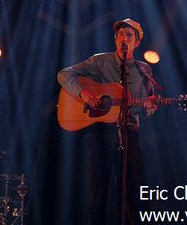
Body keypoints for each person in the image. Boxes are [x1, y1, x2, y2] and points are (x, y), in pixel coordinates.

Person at [57, 18, 158, 225]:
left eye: (129, 35)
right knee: (98, 195)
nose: (124, 38)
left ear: (136, 43)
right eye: (120, 34)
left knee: (129, 196)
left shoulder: (144, 70)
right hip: (101, 133)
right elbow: (64, 74)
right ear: (115, 40)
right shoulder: (100, 61)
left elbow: (147, 105)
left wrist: (150, 107)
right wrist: (82, 92)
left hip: (129, 132)